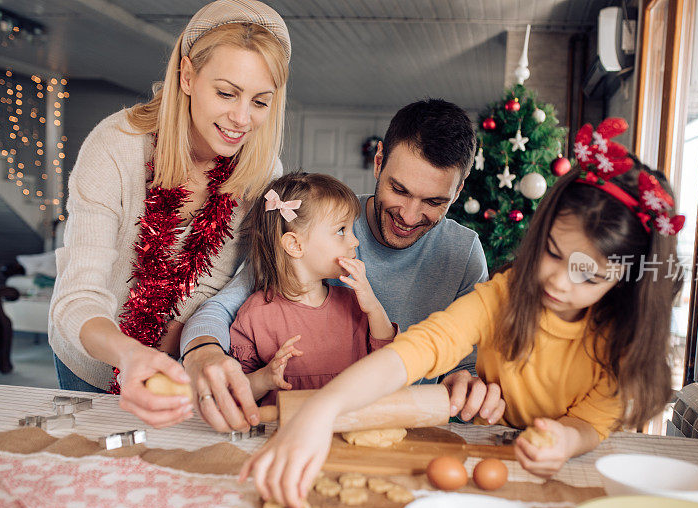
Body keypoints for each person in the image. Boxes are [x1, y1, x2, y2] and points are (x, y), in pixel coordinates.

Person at [239, 119, 686, 508]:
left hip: (562, 469)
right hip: (486, 453)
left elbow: (591, 421)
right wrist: (323, 411)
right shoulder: (502, 297)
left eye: (589, 276)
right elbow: (418, 350)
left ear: (624, 281)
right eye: (552, 253)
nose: (560, 283)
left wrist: (566, 439)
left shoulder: (622, 337)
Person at [48, 0, 291, 428]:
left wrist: (194, 347)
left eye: (260, 101)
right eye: (226, 92)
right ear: (187, 76)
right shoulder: (116, 146)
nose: (241, 119)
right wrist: (130, 354)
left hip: (179, 363)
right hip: (90, 358)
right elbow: (77, 296)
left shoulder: (262, 171)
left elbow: (221, 282)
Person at [179, 99, 489, 432]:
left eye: (433, 201)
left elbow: (474, 364)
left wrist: (469, 382)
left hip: (407, 434)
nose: (409, 216)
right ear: (379, 161)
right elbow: (221, 311)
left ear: (457, 191)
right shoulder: (319, 223)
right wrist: (204, 352)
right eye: (399, 189)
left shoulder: (463, 252)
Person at [229, 172, 397, 404]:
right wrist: (265, 379)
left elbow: (388, 362)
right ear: (295, 245)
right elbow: (235, 391)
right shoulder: (254, 315)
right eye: (341, 230)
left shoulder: (355, 304)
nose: (355, 241)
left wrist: (374, 307)